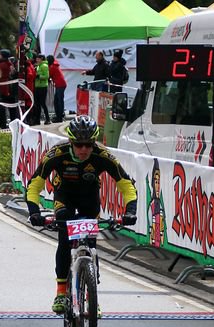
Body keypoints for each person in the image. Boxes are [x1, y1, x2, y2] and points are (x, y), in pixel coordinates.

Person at [25, 115, 138, 313]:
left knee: (91, 243)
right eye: (79, 144)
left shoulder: (102, 155)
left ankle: (92, 296)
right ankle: (61, 292)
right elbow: (34, 185)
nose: (84, 149)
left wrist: (130, 211)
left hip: (89, 198)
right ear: (70, 141)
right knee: (64, 238)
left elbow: (126, 185)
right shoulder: (56, 154)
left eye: (89, 145)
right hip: (64, 196)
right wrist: (34, 213)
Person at [0, 49, 19, 127]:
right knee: (12, 108)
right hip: (11, 88)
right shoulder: (10, 64)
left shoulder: (0, 65)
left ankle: (3, 124)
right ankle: (14, 124)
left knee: (1, 108)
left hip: (2, 89)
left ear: (2, 55)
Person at [47, 55, 67, 123]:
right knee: (57, 101)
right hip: (61, 84)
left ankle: (59, 117)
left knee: (58, 101)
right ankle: (59, 115)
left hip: (60, 85)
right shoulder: (55, 65)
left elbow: (48, 76)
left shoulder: (52, 67)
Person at [33, 54, 51, 125]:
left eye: (38, 59)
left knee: (42, 103)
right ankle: (37, 120)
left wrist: (39, 76)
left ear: (42, 58)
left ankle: (48, 119)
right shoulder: (38, 66)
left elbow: (47, 76)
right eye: (36, 59)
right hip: (37, 86)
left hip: (43, 87)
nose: (36, 60)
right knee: (37, 104)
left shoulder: (44, 66)